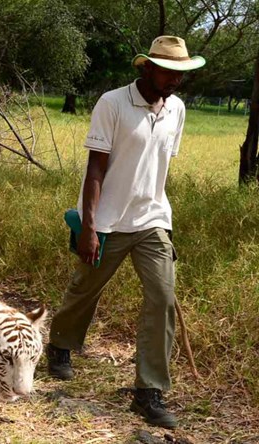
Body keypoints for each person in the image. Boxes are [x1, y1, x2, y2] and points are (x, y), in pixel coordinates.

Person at [45, 36, 205, 430]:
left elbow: (157, 170)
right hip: (108, 220)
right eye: (169, 72)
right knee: (86, 287)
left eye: (181, 74)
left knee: (163, 297)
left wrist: (166, 228)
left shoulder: (177, 109)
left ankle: (149, 390)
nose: (175, 81)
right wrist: (90, 228)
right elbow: (96, 169)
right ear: (147, 68)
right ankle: (60, 345)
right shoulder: (112, 103)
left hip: (152, 220)